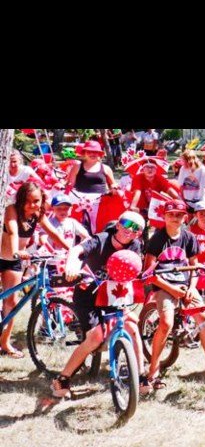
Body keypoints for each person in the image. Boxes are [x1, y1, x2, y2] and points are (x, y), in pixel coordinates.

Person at [51, 211, 147, 398]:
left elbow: (134, 268)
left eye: (137, 228)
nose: (130, 230)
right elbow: (76, 250)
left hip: (113, 292)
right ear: (118, 224)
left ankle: (142, 376)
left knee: (132, 326)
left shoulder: (135, 245)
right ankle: (62, 379)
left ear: (139, 234)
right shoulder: (101, 239)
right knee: (95, 337)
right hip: (88, 293)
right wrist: (72, 265)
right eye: (127, 224)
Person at [141, 199, 205, 391]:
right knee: (166, 323)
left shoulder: (189, 238)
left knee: (204, 318)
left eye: (179, 215)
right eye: (171, 214)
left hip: (184, 284)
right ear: (164, 216)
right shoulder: (157, 239)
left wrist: (191, 287)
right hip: (163, 284)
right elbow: (149, 274)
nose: (175, 218)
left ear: (185, 217)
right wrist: (172, 290)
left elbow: (194, 267)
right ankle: (153, 368)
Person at [1, 183, 69, 357]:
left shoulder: (38, 215)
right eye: (28, 201)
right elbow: (12, 233)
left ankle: (5, 343)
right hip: (7, 254)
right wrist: (17, 250)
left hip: (13, 262)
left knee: (11, 303)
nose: (32, 205)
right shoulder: (12, 210)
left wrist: (71, 249)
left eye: (36, 201)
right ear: (21, 200)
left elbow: (53, 233)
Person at [63, 140, 124, 234]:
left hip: (100, 204)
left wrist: (114, 187)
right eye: (89, 151)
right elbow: (70, 186)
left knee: (99, 227)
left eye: (95, 152)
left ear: (100, 154)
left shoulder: (106, 168)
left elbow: (112, 184)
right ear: (84, 153)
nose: (92, 154)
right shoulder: (77, 167)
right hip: (80, 203)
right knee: (79, 228)